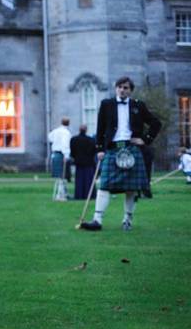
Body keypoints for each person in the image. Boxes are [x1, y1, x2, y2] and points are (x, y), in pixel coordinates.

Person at [80, 76, 161, 231]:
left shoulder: (138, 105)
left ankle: (127, 221)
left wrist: (145, 139)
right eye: (120, 87)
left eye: (126, 88)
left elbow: (156, 123)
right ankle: (97, 220)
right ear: (115, 88)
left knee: (131, 188)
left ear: (130, 90)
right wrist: (100, 149)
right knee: (104, 185)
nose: (122, 90)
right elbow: (100, 128)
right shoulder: (107, 104)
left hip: (132, 149)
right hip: (112, 149)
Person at [69, 124, 97, 200]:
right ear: (86, 130)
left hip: (79, 162)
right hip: (89, 162)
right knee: (89, 180)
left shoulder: (74, 139)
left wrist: (76, 157)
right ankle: (90, 195)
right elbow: (94, 151)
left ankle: (79, 195)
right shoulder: (91, 140)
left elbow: (72, 152)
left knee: (79, 180)